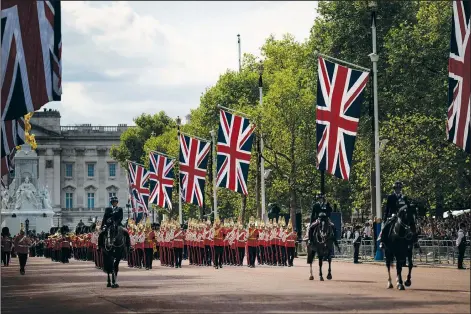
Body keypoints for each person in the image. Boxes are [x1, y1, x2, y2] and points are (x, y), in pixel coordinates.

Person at [379, 181, 409, 248]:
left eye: (399, 188)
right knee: (385, 227)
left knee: (411, 226)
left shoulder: (404, 197)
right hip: (393, 215)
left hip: (402, 216)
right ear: (394, 189)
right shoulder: (390, 197)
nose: (398, 190)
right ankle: (382, 241)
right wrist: (385, 218)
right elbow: (387, 208)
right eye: (396, 188)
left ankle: (413, 242)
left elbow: (407, 207)